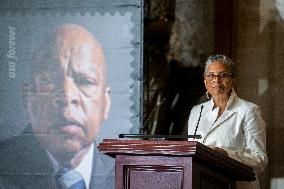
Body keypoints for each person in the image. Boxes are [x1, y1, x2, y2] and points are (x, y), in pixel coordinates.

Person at [0, 24, 114, 189]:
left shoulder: (130, 180)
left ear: (106, 103)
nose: (67, 96)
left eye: (85, 81)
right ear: (27, 99)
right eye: (48, 81)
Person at [188, 54, 267, 189]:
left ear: (233, 80)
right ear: (205, 81)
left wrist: (226, 154)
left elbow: (260, 160)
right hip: (202, 184)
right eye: (210, 75)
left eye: (223, 75)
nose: (216, 80)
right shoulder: (197, 111)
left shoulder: (249, 111)